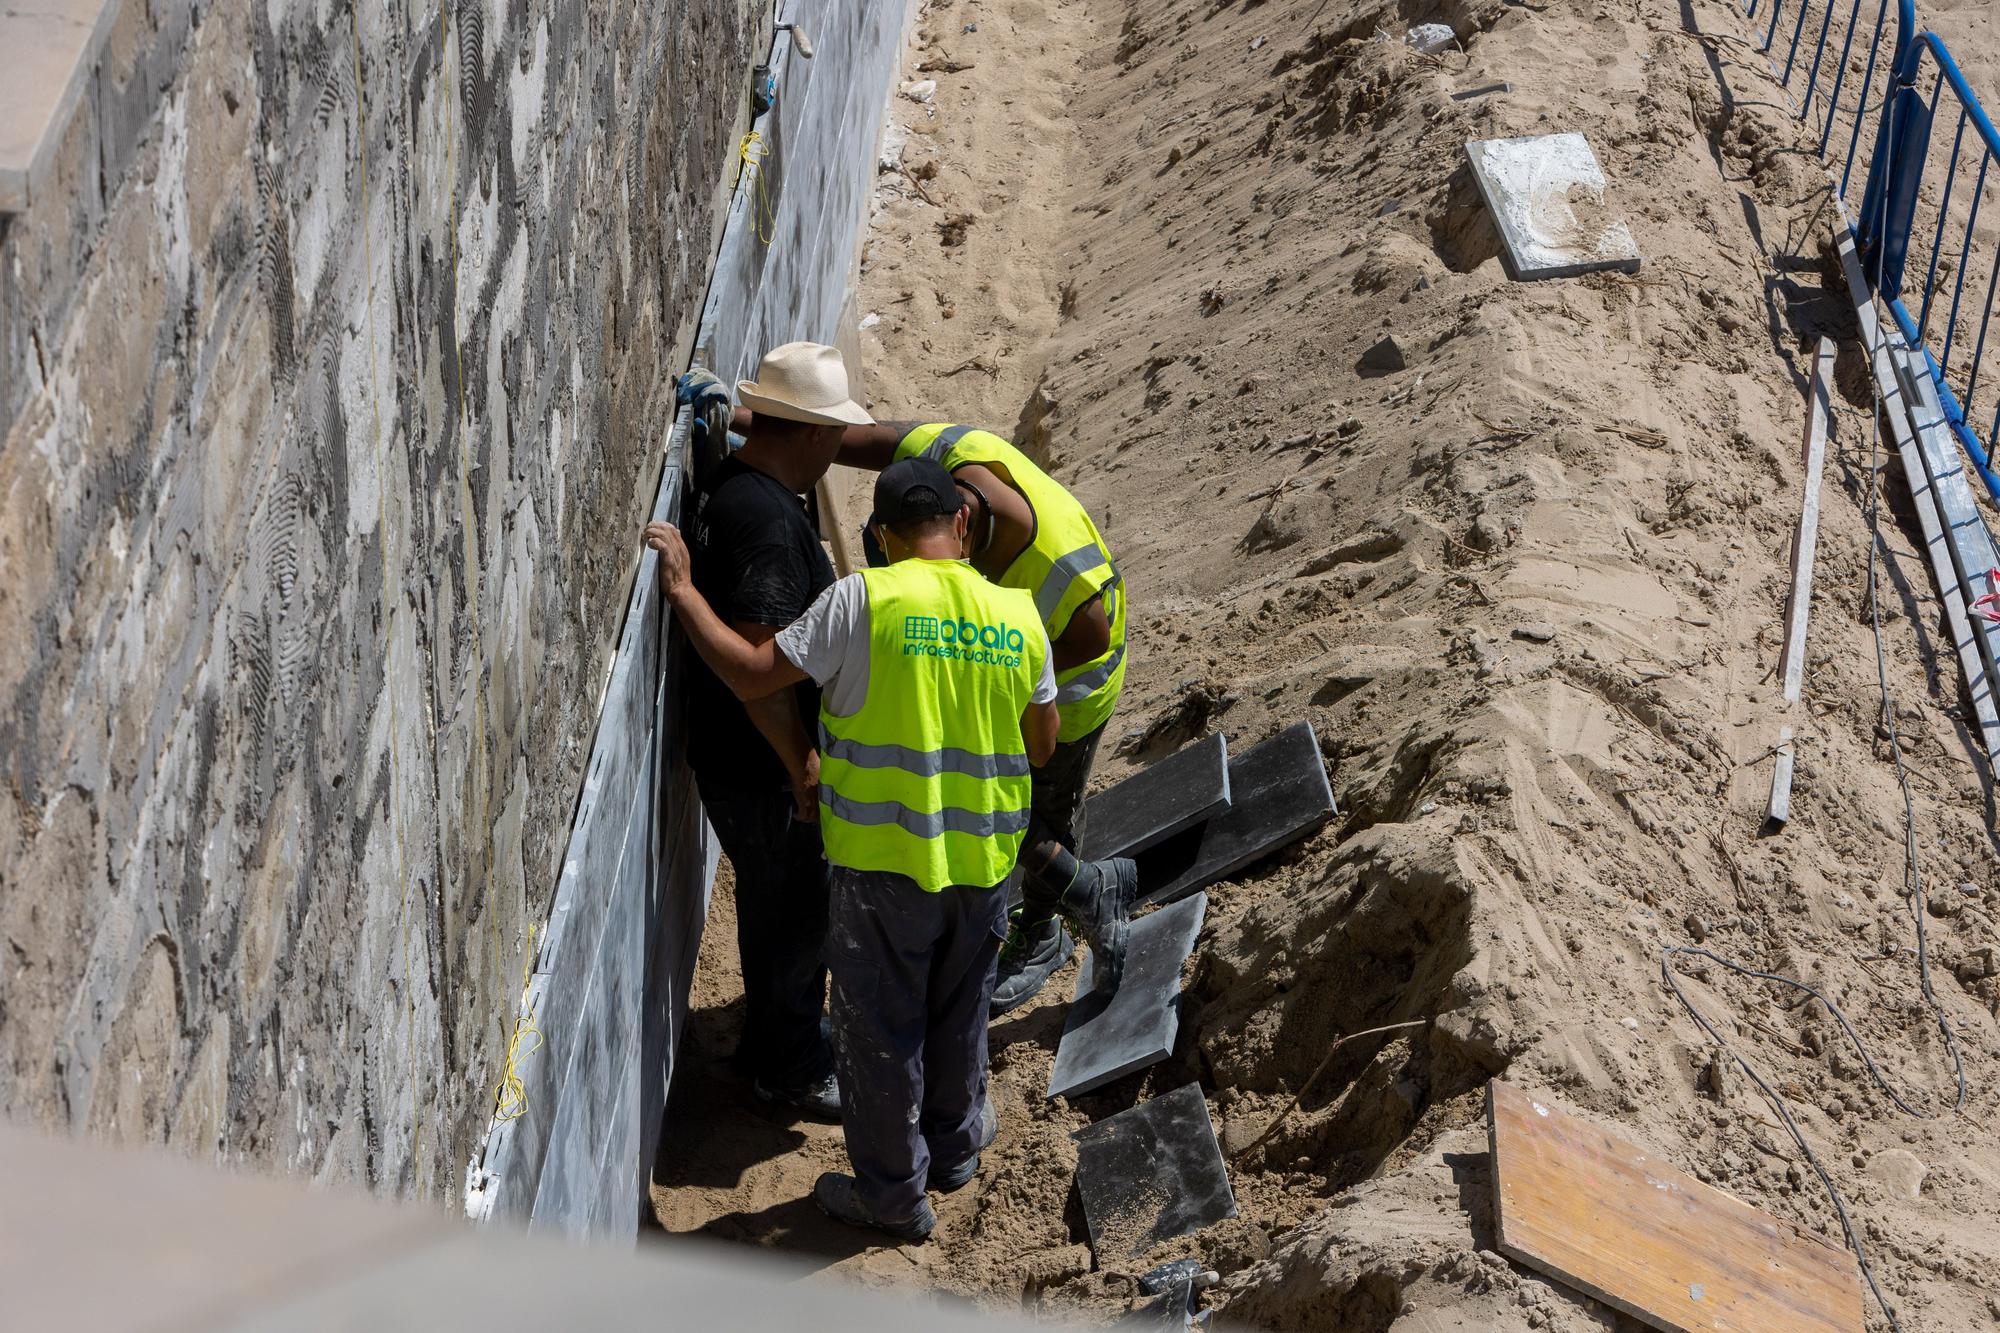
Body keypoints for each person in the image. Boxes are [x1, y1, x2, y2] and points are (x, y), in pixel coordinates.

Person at [645, 457, 1059, 1242]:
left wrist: (684, 591)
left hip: (884, 864)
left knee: (880, 1031)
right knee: (960, 1009)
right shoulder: (1018, 614)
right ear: (962, 525)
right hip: (985, 863)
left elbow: (754, 675)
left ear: (880, 536)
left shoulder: (863, 600)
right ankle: (956, 1145)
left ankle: (894, 1198)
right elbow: (1041, 746)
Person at [729, 409, 1134, 1012]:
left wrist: (982, 676)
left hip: (1075, 679)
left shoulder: (1047, 569)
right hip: (1003, 649)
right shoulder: (950, 453)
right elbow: (861, 440)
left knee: (1005, 799)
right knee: (974, 789)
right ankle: (1077, 893)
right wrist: (752, 424)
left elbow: (1088, 639)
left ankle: (1048, 929)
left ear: (960, 525)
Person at [675, 341, 869, 1119]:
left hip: (739, 763)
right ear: (816, 435)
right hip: (763, 769)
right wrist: (801, 767)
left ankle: (773, 1040)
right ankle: (791, 1066)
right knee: (794, 915)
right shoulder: (766, 522)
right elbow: (759, 668)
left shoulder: (743, 485)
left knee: (774, 906)